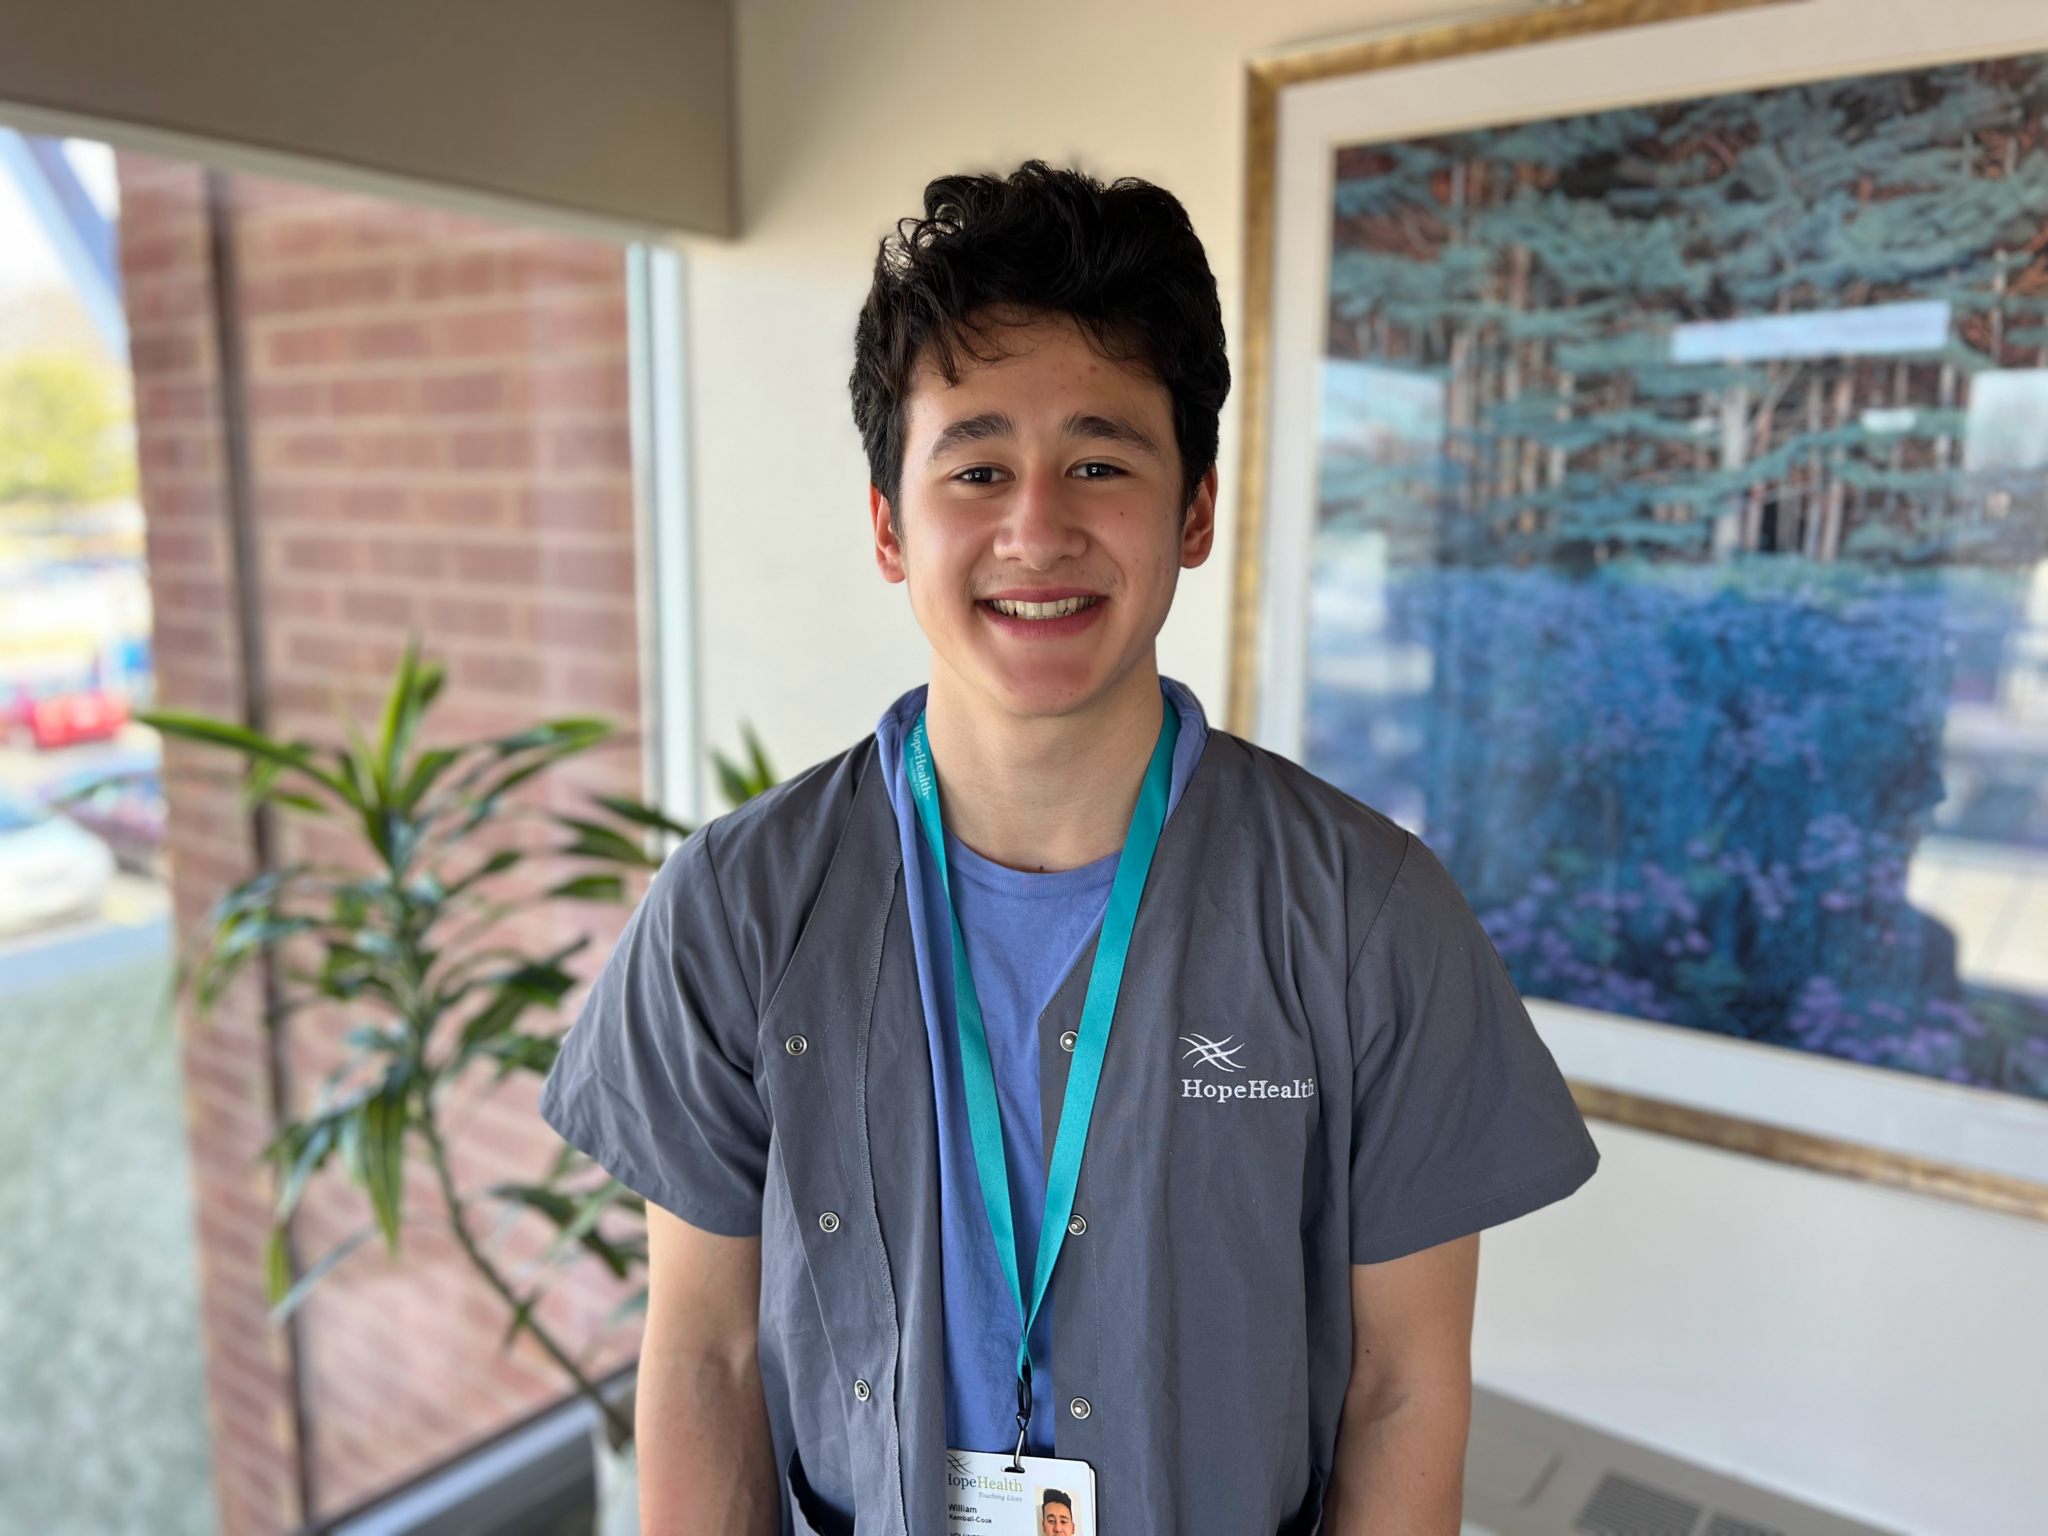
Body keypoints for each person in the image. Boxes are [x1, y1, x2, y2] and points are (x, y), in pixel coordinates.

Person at [540, 161, 1598, 1536]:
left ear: (1194, 512)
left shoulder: (1369, 916)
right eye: (977, 469)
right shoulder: (736, 908)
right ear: (887, 527)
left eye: (1101, 463)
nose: (1037, 529)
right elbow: (704, 1358)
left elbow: (1401, 1383)